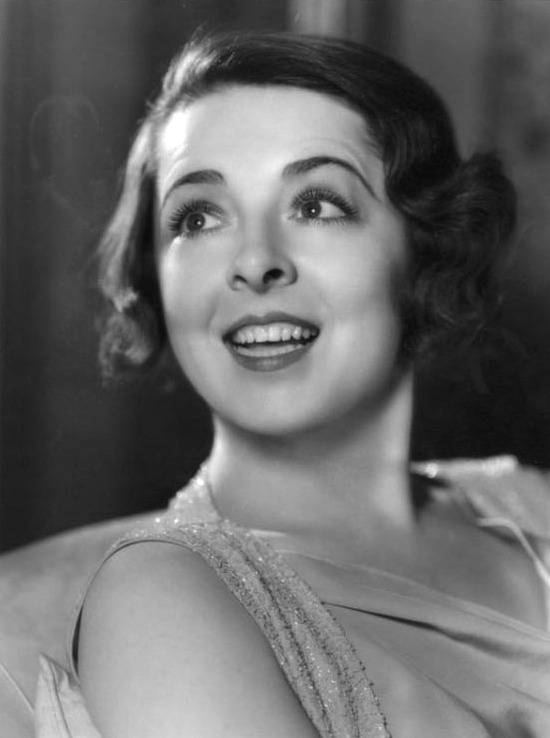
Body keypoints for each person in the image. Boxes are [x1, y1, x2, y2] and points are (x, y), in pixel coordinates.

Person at [34, 31, 550, 737]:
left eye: (315, 205)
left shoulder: (526, 506)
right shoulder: (160, 599)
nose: (254, 262)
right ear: (155, 276)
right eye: (198, 217)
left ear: (426, 248)